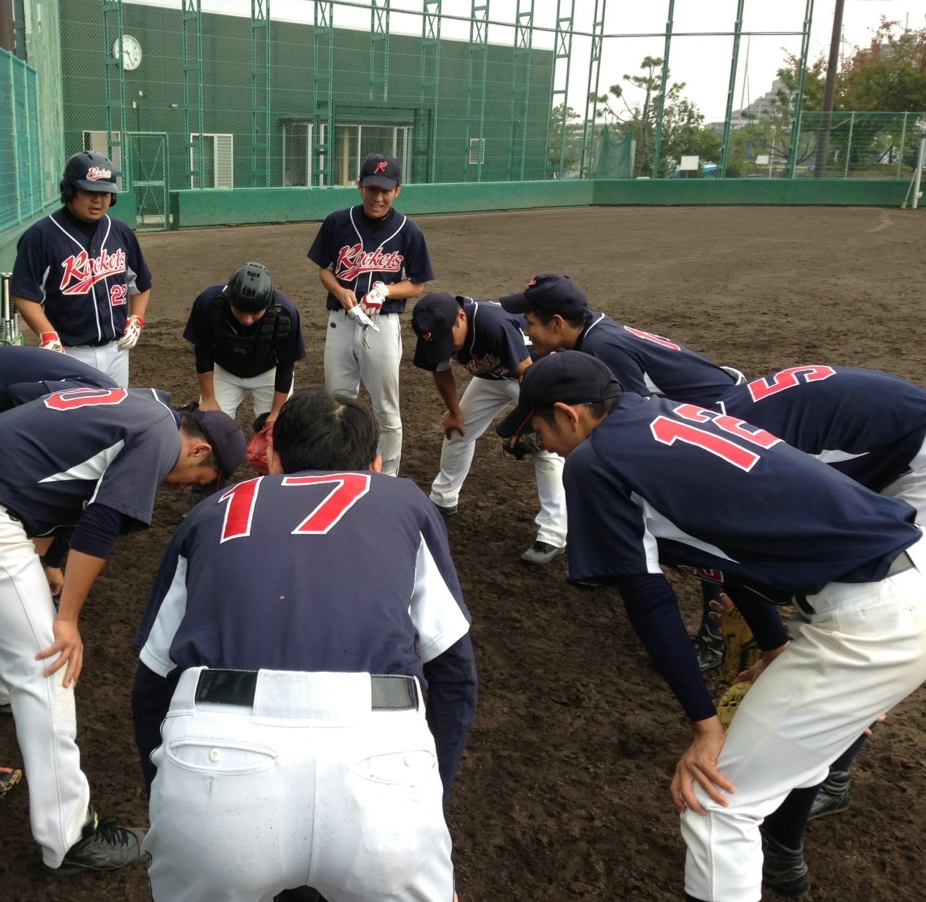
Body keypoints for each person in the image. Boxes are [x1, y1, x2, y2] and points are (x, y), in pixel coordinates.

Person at [499, 350, 926, 902]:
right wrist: (775, 645)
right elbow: (732, 554)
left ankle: (780, 847)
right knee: (791, 746)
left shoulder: (594, 461)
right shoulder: (652, 412)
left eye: (538, 429)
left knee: (713, 802)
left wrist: (705, 728)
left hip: (872, 620)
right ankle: (786, 858)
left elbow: (648, 599)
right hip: (898, 581)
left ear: (568, 413)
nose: (542, 445)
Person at [131, 388, 477, 902]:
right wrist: (426, 808)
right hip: (380, 760)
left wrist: (174, 802)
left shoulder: (207, 515)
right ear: (375, 465)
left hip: (216, 757)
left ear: (271, 461)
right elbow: (454, 678)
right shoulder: (405, 500)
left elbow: (151, 687)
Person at [0, 389, 245, 875]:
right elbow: (102, 519)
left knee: (29, 635)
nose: (183, 488)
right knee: (51, 664)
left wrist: (46, 560)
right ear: (198, 450)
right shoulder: (158, 437)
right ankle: (67, 840)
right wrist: (68, 620)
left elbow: (67, 494)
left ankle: (6, 689)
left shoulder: (146, 408)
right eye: (199, 479)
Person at [712, 364, 926, 844]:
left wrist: (773, 644)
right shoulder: (704, 427)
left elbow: (774, 538)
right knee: (850, 613)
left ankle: (833, 771)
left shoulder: (732, 461)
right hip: (893, 444)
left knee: (874, 616)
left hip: (916, 464)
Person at [503, 273, 746, 663]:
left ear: (558, 323)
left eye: (530, 323)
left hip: (717, 422)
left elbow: (634, 420)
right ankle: (613, 561)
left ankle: (716, 636)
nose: (526, 333)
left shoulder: (602, 346)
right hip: (694, 416)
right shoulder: (593, 333)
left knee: (695, 524)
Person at [410, 291, 567, 564]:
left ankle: (553, 535)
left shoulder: (493, 324)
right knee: (458, 430)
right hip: (494, 375)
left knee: (545, 449)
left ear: (461, 316)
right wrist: (455, 412)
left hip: (533, 375)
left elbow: (528, 376)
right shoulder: (432, 327)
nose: (450, 349)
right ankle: (443, 498)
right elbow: (441, 369)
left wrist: (528, 424)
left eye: (450, 340)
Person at [307, 152, 434, 476]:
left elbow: (416, 284)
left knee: (386, 409)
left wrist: (386, 290)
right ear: (360, 185)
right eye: (372, 189)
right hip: (341, 322)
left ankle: (386, 476)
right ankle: (337, 470)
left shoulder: (409, 231)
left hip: (383, 326)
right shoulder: (338, 221)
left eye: (386, 190)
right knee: (336, 404)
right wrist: (338, 290)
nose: (378, 197)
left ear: (397, 191)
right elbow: (325, 270)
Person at [11, 151, 152, 387]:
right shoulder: (41, 236)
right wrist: (47, 335)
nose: (98, 200)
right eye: (89, 192)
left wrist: (136, 318)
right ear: (69, 191)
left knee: (116, 416)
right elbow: (25, 294)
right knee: (77, 420)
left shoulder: (120, 231)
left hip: (117, 349)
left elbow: (141, 283)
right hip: (69, 352)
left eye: (105, 193)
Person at [182, 262, 306, 426]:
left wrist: (276, 413)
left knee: (275, 431)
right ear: (229, 300)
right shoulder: (209, 302)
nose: (247, 320)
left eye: (255, 313)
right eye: (240, 311)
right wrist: (208, 399)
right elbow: (203, 351)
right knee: (211, 426)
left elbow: (286, 365)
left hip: (268, 372)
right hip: (224, 369)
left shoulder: (285, 314)